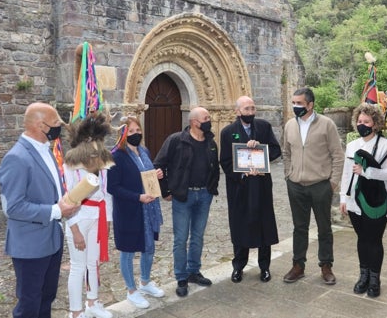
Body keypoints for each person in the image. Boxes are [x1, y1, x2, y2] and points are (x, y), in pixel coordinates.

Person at [0, 102, 80, 318]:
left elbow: (52, 190)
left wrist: (69, 201)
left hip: (52, 240)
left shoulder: (47, 150)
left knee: (47, 298)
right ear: (39, 125)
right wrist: (56, 210)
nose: (58, 128)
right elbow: (13, 207)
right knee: (29, 305)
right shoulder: (16, 158)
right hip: (30, 246)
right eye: (55, 123)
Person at [153, 106, 219, 297]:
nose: (209, 120)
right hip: (183, 197)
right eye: (205, 118)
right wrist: (165, 190)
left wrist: (211, 188)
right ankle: (181, 277)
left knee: (198, 236)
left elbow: (214, 168)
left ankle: (194, 271)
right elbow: (159, 165)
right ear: (194, 122)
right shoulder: (176, 140)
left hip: (204, 196)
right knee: (181, 239)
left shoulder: (210, 142)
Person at [281, 87, 344, 285]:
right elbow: (286, 153)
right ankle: (298, 265)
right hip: (296, 185)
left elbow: (337, 155)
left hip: (320, 185)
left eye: (299, 103)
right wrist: (288, 175)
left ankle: (326, 266)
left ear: (310, 105)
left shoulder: (327, 125)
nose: (295, 106)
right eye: (293, 102)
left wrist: (332, 183)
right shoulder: (290, 125)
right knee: (300, 228)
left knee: (324, 228)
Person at [220, 96, 281, 283]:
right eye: (247, 109)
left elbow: (276, 150)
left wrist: (261, 154)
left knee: (264, 227)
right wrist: (242, 175)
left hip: (261, 186)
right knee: (240, 226)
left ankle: (264, 268)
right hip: (240, 188)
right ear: (238, 111)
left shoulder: (263, 127)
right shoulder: (228, 132)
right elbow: (225, 161)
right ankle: (238, 267)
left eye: (253, 108)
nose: (251, 112)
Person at [339, 103, 387, 298]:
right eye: (359, 121)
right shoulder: (352, 145)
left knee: (374, 240)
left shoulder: (386, 146)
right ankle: (363, 276)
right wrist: (343, 198)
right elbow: (346, 174)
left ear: (375, 123)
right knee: (362, 239)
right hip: (355, 200)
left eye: (366, 121)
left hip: (377, 202)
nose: (361, 124)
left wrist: (367, 172)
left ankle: (374, 279)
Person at [107, 116, 165, 309]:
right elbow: (113, 187)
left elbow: (147, 177)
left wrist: (157, 175)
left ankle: (145, 282)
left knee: (149, 247)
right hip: (129, 211)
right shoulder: (116, 155)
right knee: (128, 251)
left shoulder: (144, 151)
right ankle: (131, 291)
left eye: (137, 130)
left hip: (149, 210)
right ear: (122, 134)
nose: (135, 134)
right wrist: (137, 197)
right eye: (130, 131)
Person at [63, 112, 115, 318]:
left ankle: (92, 302)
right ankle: (76, 313)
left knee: (93, 262)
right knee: (78, 266)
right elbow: (67, 199)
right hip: (79, 217)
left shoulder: (102, 164)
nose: (92, 144)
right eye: (88, 139)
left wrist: (108, 221)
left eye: (96, 139)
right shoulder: (70, 165)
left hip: (98, 218)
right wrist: (74, 230)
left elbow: (107, 194)